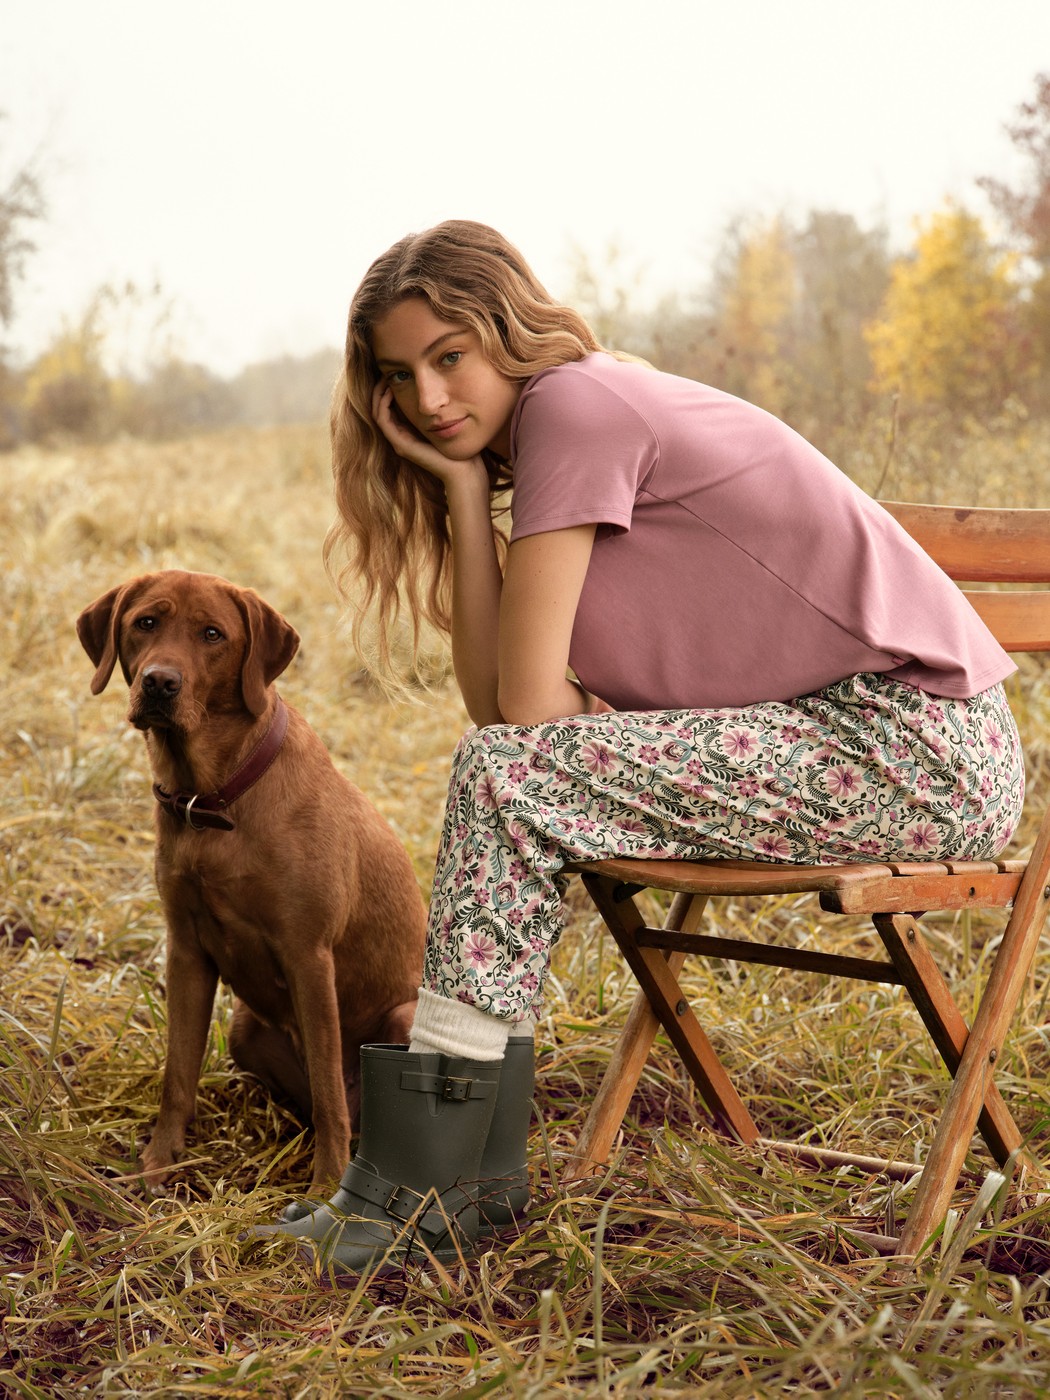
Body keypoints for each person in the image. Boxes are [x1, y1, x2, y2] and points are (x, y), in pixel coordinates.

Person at [267, 219, 1024, 1277]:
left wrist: (548, 709)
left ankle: (432, 1184)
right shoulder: (543, 442)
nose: (433, 399)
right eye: (403, 375)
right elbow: (503, 710)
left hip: (915, 744)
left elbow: (521, 720)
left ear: (506, 330)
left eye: (451, 357)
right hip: (830, 734)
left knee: (504, 778)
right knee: (507, 775)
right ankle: (440, 1183)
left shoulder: (575, 404)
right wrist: (452, 490)